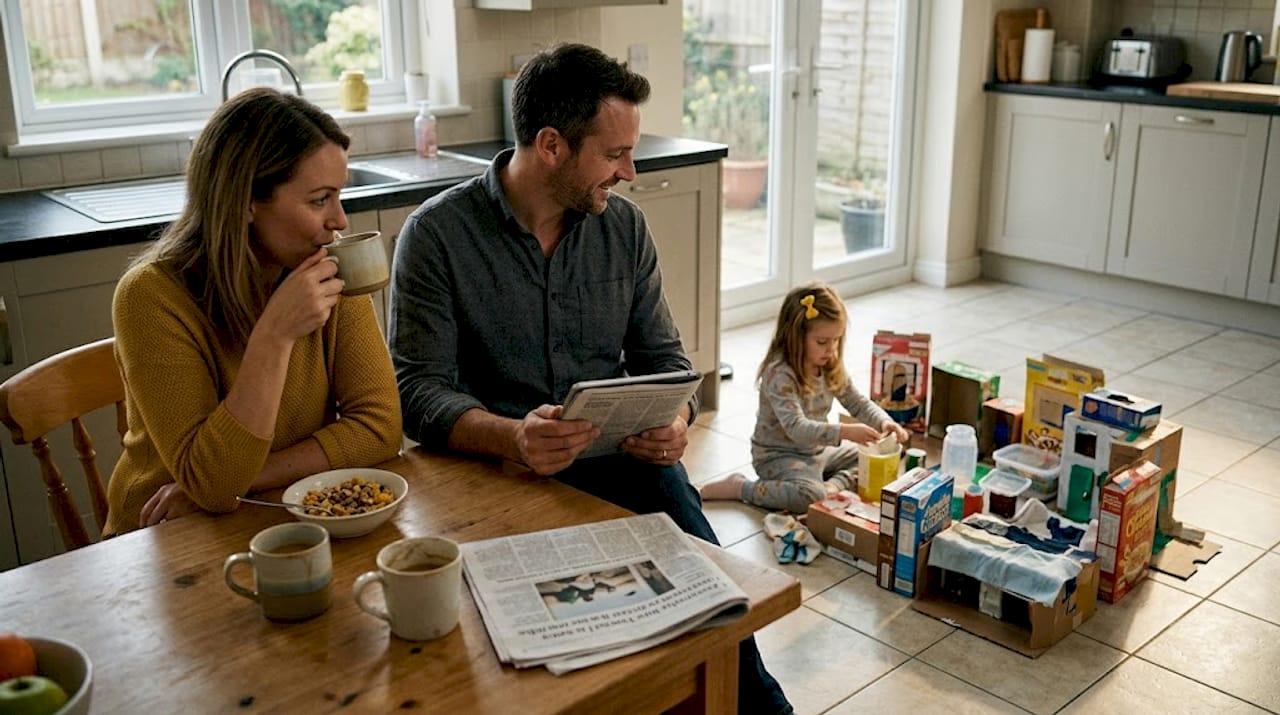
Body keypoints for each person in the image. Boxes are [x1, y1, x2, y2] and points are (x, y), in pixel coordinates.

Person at [389, 43, 792, 715]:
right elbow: (417, 393)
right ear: (551, 145)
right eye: (614, 155)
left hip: (620, 465)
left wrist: (676, 421)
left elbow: (666, 360)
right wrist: (514, 435)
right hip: (493, 472)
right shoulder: (435, 237)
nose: (630, 172)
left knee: (711, 598)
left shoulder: (624, 229)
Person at [104, 87, 402, 536]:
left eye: (339, 196)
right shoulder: (150, 298)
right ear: (245, 201)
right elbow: (215, 483)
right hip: (165, 536)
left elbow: (381, 429)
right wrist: (275, 335)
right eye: (319, 199)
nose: (340, 220)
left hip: (276, 510)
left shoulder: (331, 265)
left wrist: (252, 478)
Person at [700, 282, 911, 514]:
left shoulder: (828, 364)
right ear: (796, 337)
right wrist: (845, 432)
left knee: (875, 455)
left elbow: (856, 401)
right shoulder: (780, 373)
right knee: (809, 496)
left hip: (817, 452)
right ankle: (741, 488)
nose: (831, 350)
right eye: (822, 342)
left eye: (836, 340)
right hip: (778, 456)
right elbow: (796, 428)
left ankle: (832, 486)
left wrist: (884, 422)